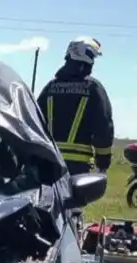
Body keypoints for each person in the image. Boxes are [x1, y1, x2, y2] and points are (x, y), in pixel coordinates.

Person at [36, 37, 114, 176]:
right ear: (85, 58)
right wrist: (103, 160)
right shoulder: (93, 88)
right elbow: (103, 126)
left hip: (47, 162)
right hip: (77, 166)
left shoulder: (49, 88)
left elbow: (34, 119)